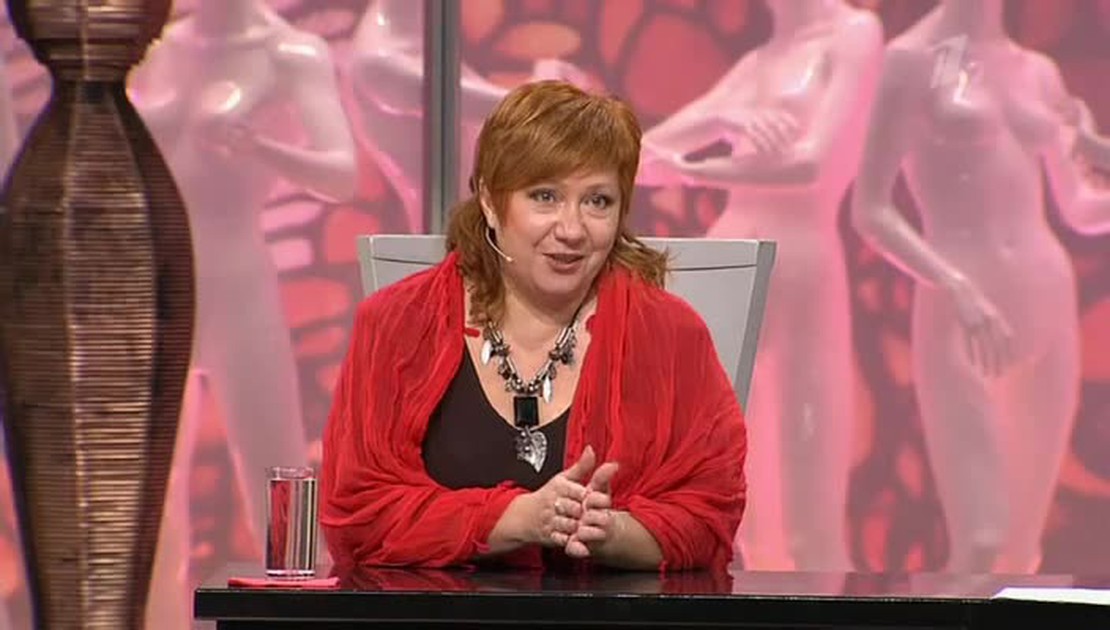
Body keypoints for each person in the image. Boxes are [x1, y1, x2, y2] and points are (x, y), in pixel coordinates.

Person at [321, 80, 747, 571]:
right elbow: (358, 514)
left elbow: (708, 516)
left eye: (598, 201)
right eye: (545, 197)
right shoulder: (396, 323)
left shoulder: (672, 335)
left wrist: (613, 533)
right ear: (489, 200)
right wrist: (516, 518)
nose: (571, 229)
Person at [851, 0, 1110, 573]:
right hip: (960, 307)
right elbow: (870, 208)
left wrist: (1094, 150)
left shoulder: (1038, 71)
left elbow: (1080, 208)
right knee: (983, 543)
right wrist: (953, 285)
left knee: (1022, 550)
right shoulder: (911, 61)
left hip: (1046, 300)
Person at [127, 1, 357, 626]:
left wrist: (262, 147)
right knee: (147, 497)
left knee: (274, 477)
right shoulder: (150, 46)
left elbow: (342, 174)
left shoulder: (288, 54)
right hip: (154, 287)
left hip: (237, 283)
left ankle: (297, 618)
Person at [637, 0, 883, 571]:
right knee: (721, 483)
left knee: (809, 499)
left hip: (800, 265)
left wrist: (692, 170)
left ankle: (821, 603)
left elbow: (811, 165)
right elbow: (640, 156)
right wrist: (727, 121)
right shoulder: (756, 64)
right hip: (730, 266)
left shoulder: (851, 35)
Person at [349, 0, 592, 231]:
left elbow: (502, 108)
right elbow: (502, 107)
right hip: (449, 230)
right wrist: (550, 89)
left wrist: (545, 81)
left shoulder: (426, 46)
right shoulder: (381, 61)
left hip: (478, 222)